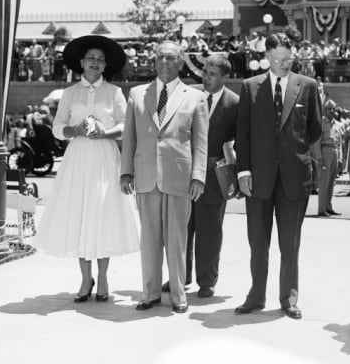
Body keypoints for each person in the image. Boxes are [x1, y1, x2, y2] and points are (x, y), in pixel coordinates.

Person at [34, 35, 139, 303]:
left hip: (105, 158)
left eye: (100, 60)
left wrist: (106, 132)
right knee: (80, 214)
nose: (95, 63)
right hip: (78, 158)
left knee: (103, 214)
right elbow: (57, 128)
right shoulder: (69, 94)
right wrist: (75, 129)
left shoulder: (115, 93)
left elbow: (127, 125)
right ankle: (85, 277)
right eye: (90, 58)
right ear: (81, 62)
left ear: (105, 66)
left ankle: (103, 277)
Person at [234, 32, 323, 320]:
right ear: (267, 57)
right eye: (278, 59)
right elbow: (242, 134)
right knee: (258, 243)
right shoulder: (250, 87)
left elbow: (314, 129)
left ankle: (289, 299)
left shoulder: (307, 86)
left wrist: (291, 153)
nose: (285, 64)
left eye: (289, 59)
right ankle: (256, 296)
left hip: (294, 177)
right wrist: (244, 170)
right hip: (258, 178)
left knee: (290, 244)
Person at [120, 40, 208, 314]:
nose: (164, 62)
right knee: (149, 240)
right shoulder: (137, 94)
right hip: (145, 176)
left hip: (179, 178)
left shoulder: (196, 96)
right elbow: (129, 136)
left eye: (170, 57)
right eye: (160, 57)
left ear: (181, 61)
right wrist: (126, 171)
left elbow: (200, 142)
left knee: (177, 241)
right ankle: (150, 293)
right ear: (153, 60)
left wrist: (198, 176)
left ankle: (179, 296)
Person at [172, 54, 239, 298]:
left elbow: (241, 142)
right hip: (184, 174)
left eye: (212, 74)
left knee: (210, 231)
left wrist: (236, 174)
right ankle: (180, 276)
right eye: (205, 72)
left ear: (225, 76)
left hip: (213, 177)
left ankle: (207, 281)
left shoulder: (235, 104)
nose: (206, 77)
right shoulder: (190, 97)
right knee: (180, 228)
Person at [312, 100, 343, 217]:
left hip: (334, 152)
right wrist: (319, 158)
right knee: (324, 182)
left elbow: (339, 143)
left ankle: (328, 207)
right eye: (330, 109)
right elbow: (316, 142)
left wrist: (340, 159)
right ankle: (321, 209)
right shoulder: (322, 123)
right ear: (325, 110)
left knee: (331, 182)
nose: (332, 111)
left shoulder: (336, 124)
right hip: (325, 151)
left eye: (334, 109)